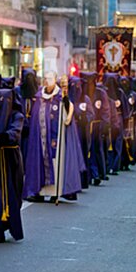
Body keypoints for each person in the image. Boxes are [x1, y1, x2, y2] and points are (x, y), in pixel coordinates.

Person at [39, 73, 84, 203]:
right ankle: (47, 191)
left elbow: (70, 109)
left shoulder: (65, 100)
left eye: (66, 85)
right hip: (48, 135)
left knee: (59, 162)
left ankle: (58, 192)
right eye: (62, 85)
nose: (64, 88)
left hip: (61, 137)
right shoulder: (50, 98)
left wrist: (68, 117)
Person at [0, 87, 25, 243]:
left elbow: (15, 132)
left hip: (11, 158)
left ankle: (13, 225)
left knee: (13, 192)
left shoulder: (17, 116)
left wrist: (2, 137)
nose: (4, 104)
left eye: (7, 100)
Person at [18, 68, 50, 202]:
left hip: (36, 133)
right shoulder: (18, 92)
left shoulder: (41, 93)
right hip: (21, 133)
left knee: (34, 161)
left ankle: (36, 189)